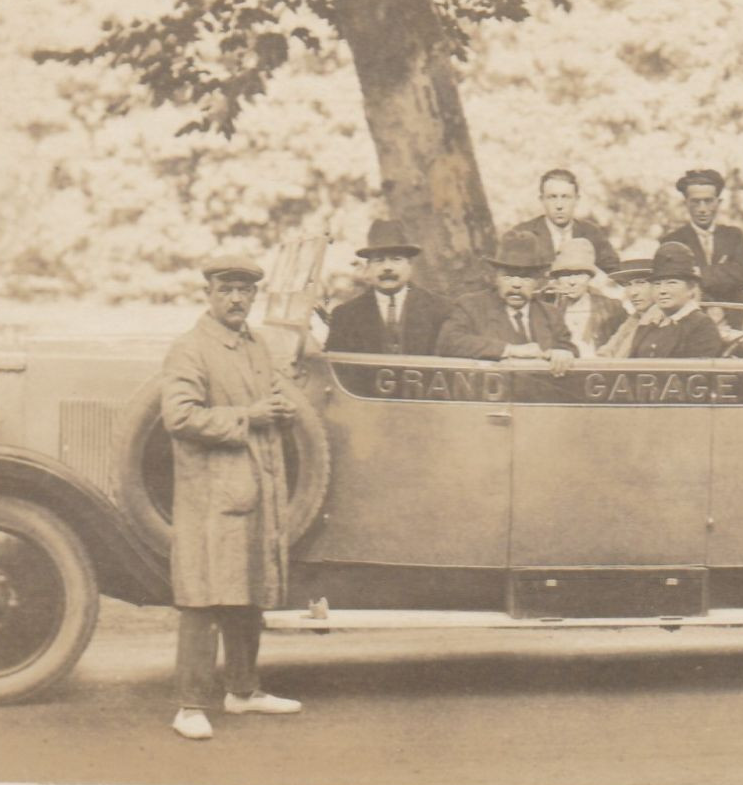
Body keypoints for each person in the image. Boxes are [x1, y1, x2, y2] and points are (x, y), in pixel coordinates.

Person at [162, 255, 303, 741]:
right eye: (227, 290)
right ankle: (189, 706)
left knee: (247, 591)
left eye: (245, 291)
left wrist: (279, 408)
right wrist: (250, 415)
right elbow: (179, 417)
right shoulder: (190, 349)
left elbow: (269, 398)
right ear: (209, 295)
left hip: (253, 485)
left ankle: (243, 692)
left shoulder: (256, 345)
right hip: (209, 491)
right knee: (202, 596)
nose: (238, 299)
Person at [436, 231, 577, 375]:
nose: (516, 284)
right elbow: (448, 342)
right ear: (495, 277)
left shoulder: (550, 314)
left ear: (538, 282)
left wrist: (563, 353)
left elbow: (569, 348)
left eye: (526, 278)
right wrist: (510, 350)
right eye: (508, 276)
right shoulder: (471, 306)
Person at [322, 220, 452, 355]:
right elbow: (332, 369)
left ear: (410, 265)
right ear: (369, 267)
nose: (387, 267)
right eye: (379, 260)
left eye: (396, 259)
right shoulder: (345, 315)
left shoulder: (440, 309)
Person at [659, 169, 743, 307]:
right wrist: (723, 271)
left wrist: (700, 273)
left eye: (708, 201)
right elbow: (674, 287)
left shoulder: (733, 236)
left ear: (718, 202)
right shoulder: (672, 241)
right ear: (686, 203)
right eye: (695, 202)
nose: (702, 209)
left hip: (736, 316)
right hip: (694, 319)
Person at [507, 168, 621, 275]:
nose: (559, 205)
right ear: (542, 200)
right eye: (552, 197)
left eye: (566, 197)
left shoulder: (591, 233)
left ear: (577, 200)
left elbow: (615, 272)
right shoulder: (523, 233)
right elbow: (508, 277)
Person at [630, 242, 724, 358]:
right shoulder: (649, 324)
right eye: (657, 284)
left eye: (671, 283)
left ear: (691, 288)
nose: (662, 290)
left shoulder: (702, 326)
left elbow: (697, 373)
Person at [546, 238, 625, 358]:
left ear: (589, 277)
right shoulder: (548, 309)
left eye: (579, 274)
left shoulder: (611, 309)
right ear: (557, 279)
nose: (572, 282)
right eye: (565, 275)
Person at [598, 258, 658, 357]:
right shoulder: (632, 321)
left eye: (640, 283)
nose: (633, 292)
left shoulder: (663, 321)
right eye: (628, 285)